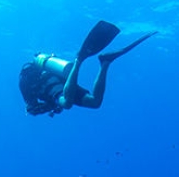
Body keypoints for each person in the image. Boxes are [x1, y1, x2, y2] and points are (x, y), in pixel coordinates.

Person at [19, 21, 157, 117]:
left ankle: (79, 60)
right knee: (94, 102)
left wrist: (39, 108)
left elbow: (33, 106)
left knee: (66, 103)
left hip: (52, 87)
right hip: (63, 82)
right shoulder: (33, 77)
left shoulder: (26, 86)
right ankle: (105, 62)